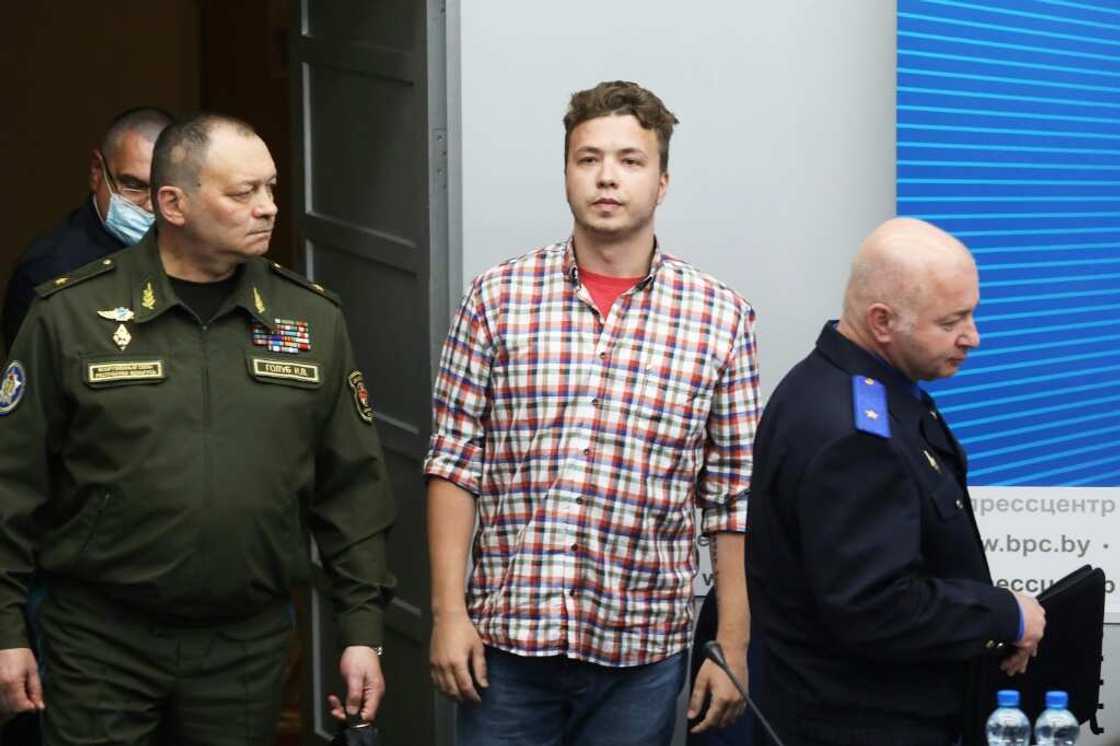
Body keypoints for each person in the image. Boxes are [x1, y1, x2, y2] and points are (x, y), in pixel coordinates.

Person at [0, 112, 396, 745]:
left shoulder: (310, 319)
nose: (268, 207)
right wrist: (6, 632)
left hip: (244, 646)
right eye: (244, 192)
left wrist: (362, 632)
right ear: (173, 204)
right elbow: (12, 484)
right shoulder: (70, 314)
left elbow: (353, 491)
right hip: (99, 642)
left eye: (270, 188)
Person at [424, 80, 761, 745]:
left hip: (641, 655)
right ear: (566, 174)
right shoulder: (497, 298)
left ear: (662, 182)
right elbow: (454, 464)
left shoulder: (721, 319)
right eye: (588, 159)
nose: (608, 177)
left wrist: (733, 645)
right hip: (507, 645)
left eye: (631, 160)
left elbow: (734, 499)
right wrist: (448, 613)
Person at [745, 217, 1046, 746]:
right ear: (881, 322)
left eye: (971, 313)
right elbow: (876, 607)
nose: (973, 337)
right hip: (863, 722)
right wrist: (1003, 616)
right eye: (951, 321)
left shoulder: (851, 384)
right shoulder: (853, 433)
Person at [2, 106, 173, 350]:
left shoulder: (198, 255)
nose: (150, 205)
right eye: (134, 185)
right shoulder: (49, 270)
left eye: (164, 190)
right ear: (96, 171)